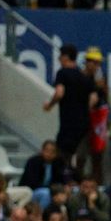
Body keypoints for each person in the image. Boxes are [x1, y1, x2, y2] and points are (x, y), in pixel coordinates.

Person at [42, 43, 97, 178]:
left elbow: (60, 93)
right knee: (79, 157)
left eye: (60, 56)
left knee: (61, 155)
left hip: (68, 123)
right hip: (84, 124)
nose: (59, 59)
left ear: (65, 57)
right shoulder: (84, 76)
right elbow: (94, 99)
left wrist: (50, 104)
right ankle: (77, 180)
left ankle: (64, 181)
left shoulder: (63, 73)